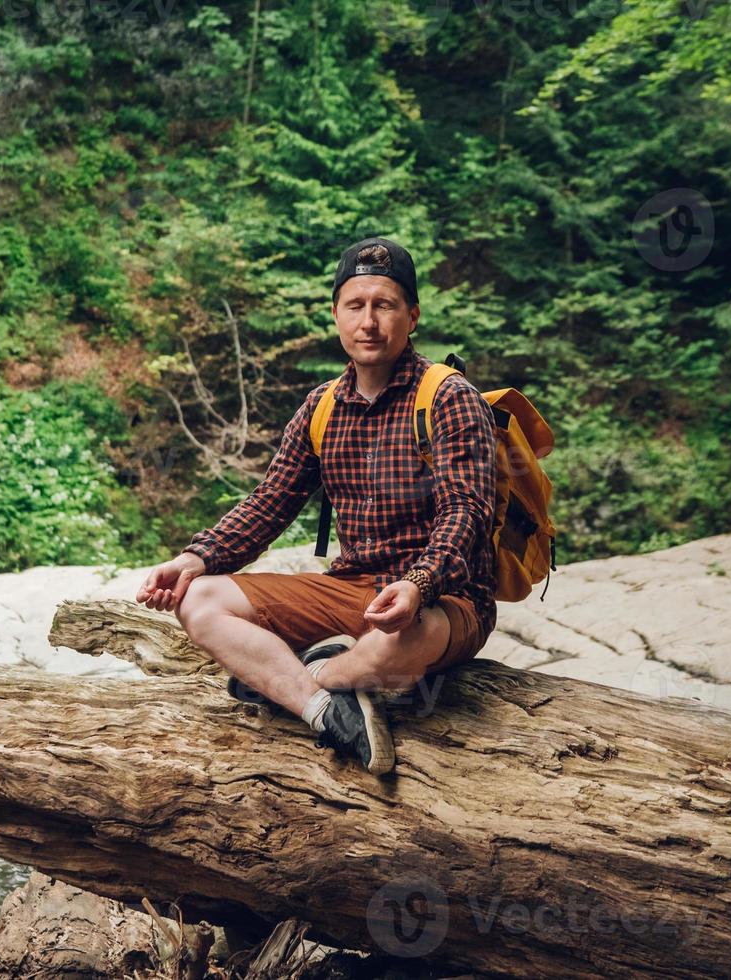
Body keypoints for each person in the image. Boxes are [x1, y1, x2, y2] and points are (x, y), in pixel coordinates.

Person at [135, 238, 498, 775]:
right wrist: (196, 559)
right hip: (351, 590)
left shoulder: (447, 396)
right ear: (336, 315)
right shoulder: (321, 407)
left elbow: (467, 510)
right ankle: (326, 709)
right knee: (199, 600)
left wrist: (420, 583)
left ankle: (308, 675)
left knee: (391, 649)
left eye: (385, 305)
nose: (369, 321)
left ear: (412, 316)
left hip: (444, 599)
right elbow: (269, 503)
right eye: (355, 305)